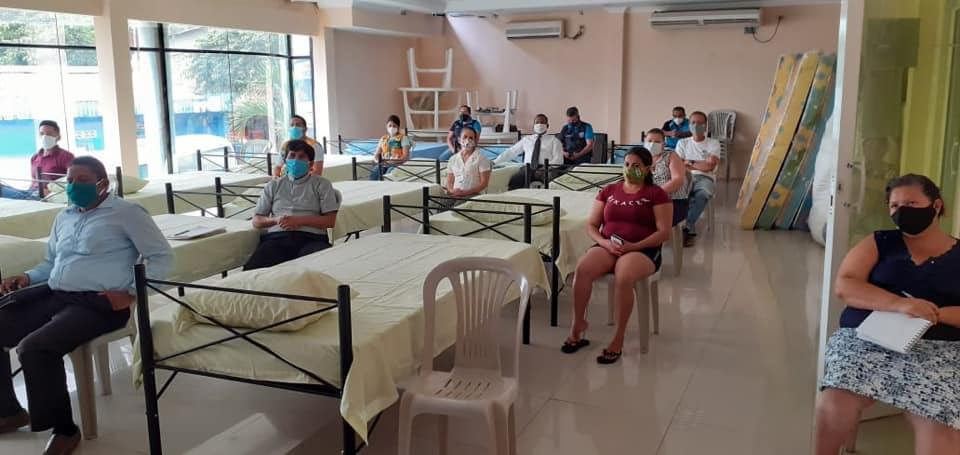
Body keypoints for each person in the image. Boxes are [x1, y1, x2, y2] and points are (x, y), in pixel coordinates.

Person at [0, 156, 172, 455]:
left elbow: (162, 258)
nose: (73, 186)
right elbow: (51, 262)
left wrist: (131, 293)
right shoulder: (64, 216)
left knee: (35, 347)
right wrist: (27, 276)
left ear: (102, 184)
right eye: (69, 180)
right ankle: (9, 411)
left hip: (100, 303)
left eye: (82, 180)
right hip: (56, 292)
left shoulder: (126, 213)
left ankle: (65, 429)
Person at [816, 174, 960, 455]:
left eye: (911, 203)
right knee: (834, 403)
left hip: (939, 351)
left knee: (940, 425)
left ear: (937, 206)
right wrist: (900, 304)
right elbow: (845, 284)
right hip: (868, 340)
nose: (901, 211)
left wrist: (934, 313)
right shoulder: (880, 242)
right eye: (895, 206)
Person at [562, 147, 672, 365]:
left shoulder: (656, 194)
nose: (630, 169)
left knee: (624, 275)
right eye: (627, 164)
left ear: (647, 169)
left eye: (636, 166)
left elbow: (664, 232)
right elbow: (592, 225)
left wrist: (634, 246)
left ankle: (618, 337)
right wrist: (604, 242)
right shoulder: (609, 190)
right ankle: (578, 324)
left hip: (643, 248)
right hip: (609, 245)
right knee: (583, 269)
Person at [245, 140, 340, 270]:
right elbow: (257, 221)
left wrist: (299, 221)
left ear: (310, 163)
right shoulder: (273, 185)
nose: (296, 160)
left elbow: (330, 221)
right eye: (292, 155)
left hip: (312, 238)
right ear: (285, 161)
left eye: (301, 156)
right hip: (277, 239)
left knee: (323, 269)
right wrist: (276, 220)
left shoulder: (322, 184)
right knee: (253, 270)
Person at [675, 111, 720, 247]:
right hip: (684, 176)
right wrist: (701, 163)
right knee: (678, 194)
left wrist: (689, 162)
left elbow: (709, 167)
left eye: (700, 123)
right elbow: (678, 164)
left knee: (702, 194)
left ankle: (687, 227)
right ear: (689, 125)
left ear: (706, 126)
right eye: (693, 122)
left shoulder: (713, 143)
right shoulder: (682, 143)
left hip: (705, 178)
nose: (696, 126)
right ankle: (683, 228)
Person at [1, 120, 74, 200]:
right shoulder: (35, 157)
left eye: (49, 134)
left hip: (46, 195)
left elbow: (74, 180)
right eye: (42, 134)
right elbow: (34, 181)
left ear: (58, 136)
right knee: (3, 188)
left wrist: (52, 192)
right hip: (31, 192)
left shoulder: (66, 156)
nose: (45, 136)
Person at [494, 114, 564, 190]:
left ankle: (548, 196)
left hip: (547, 169)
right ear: (533, 125)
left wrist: (545, 168)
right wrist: (495, 162)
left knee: (553, 182)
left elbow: (559, 159)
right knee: (515, 180)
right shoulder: (526, 139)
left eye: (542, 122)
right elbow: (511, 152)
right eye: (537, 122)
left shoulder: (554, 140)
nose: (539, 124)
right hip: (528, 168)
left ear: (547, 125)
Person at [647, 128, 689, 226]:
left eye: (657, 142)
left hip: (673, 202)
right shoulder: (643, 159)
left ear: (664, 143)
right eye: (649, 141)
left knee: (648, 220)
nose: (652, 144)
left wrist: (655, 194)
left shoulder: (671, 156)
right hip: (649, 201)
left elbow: (678, 180)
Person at [445, 127, 491, 198]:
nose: (468, 140)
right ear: (459, 140)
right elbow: (449, 182)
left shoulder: (481, 158)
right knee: (440, 203)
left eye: (471, 138)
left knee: (459, 204)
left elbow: (484, 183)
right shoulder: (453, 159)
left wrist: (465, 192)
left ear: (475, 141)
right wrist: (452, 191)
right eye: (465, 137)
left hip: (474, 195)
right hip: (455, 194)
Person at [369, 115, 412, 181]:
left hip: (396, 164)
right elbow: (376, 155)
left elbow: (406, 157)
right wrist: (379, 162)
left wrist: (391, 162)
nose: (392, 128)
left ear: (398, 127)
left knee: (389, 174)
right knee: (374, 173)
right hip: (383, 164)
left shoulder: (403, 138)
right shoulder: (383, 139)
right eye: (390, 126)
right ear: (387, 126)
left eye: (394, 126)